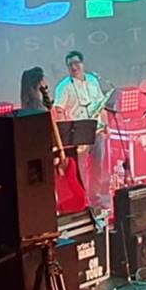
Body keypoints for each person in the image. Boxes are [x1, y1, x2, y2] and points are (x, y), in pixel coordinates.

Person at [53, 50, 111, 211]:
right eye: (70, 65)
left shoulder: (92, 80)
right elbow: (58, 110)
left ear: (82, 64)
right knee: (81, 169)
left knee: (97, 166)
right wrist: (65, 133)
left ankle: (95, 198)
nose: (74, 67)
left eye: (76, 63)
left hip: (97, 130)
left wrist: (106, 125)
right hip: (79, 133)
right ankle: (84, 201)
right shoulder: (64, 86)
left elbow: (101, 105)